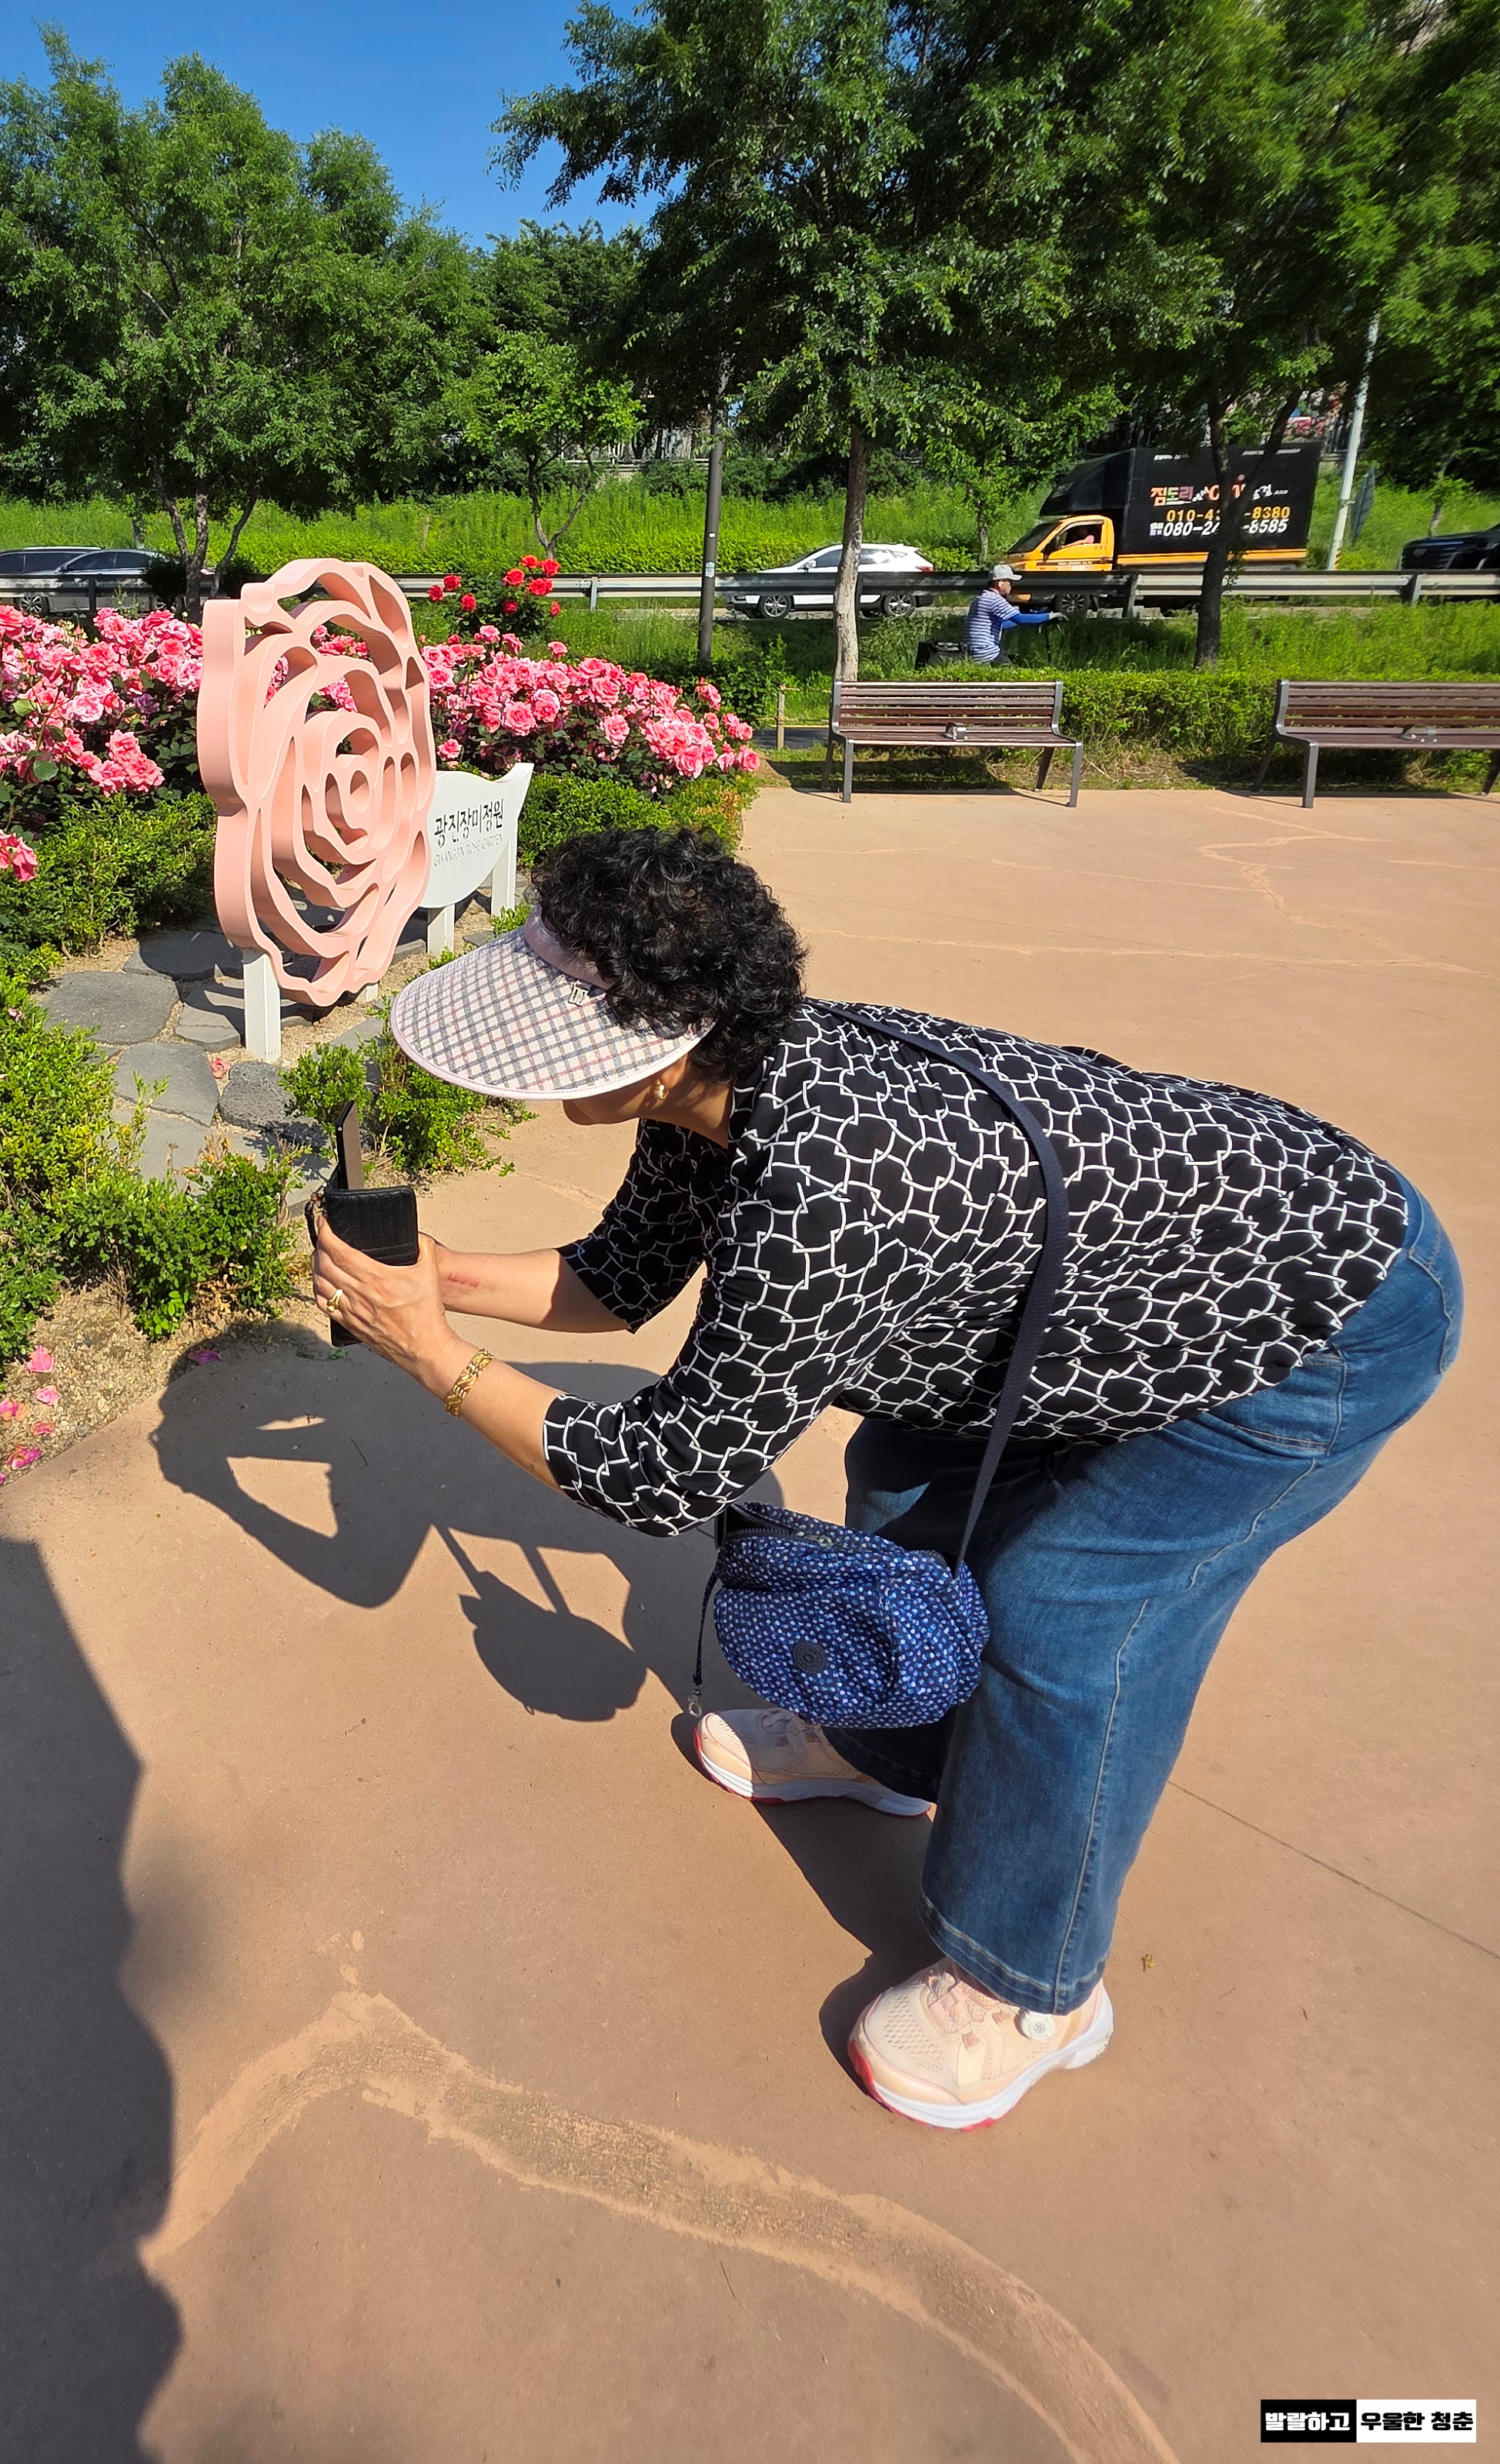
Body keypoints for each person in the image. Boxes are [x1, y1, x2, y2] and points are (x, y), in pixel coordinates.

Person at [309, 832, 1458, 2131]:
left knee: (1068, 1618)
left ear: (666, 1049)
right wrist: (440, 1278)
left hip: (1319, 1320)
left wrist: (432, 1356)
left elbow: (665, 1474)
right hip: (1104, 1299)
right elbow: (622, 1274)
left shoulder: (824, 1181)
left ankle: (1032, 1986)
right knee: (906, 1480)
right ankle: (884, 1742)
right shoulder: (724, 1081)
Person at [965, 563, 1058, 663]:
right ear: (1000, 584)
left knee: (1011, 659)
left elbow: (1002, 625)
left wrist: (1035, 616)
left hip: (972, 651)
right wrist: (1050, 616)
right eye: (1010, 582)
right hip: (985, 653)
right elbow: (1020, 619)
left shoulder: (980, 598)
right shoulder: (995, 600)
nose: (1012, 586)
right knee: (1015, 666)